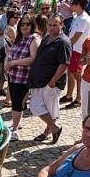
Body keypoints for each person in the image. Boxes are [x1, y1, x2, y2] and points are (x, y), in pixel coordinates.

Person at [28, 15, 70, 144]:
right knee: (41, 107)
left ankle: (52, 129)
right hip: (40, 80)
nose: (51, 28)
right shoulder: (46, 38)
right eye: (50, 25)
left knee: (39, 107)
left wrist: (53, 81)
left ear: (61, 25)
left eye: (55, 25)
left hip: (51, 82)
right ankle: (52, 129)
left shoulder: (63, 42)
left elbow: (64, 64)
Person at [5, 15, 40, 139]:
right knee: (15, 101)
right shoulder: (20, 38)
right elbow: (11, 53)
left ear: (32, 26)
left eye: (27, 24)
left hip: (23, 76)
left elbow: (32, 59)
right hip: (13, 75)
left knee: (17, 103)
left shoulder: (33, 39)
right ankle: (16, 124)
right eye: (22, 24)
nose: (24, 26)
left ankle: (15, 130)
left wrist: (13, 63)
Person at [61, 0, 90, 108]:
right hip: (73, 49)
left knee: (77, 74)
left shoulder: (83, 19)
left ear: (78, 5)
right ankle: (69, 95)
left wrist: (65, 46)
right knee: (71, 73)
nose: (70, 6)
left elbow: (76, 37)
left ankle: (78, 98)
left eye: (72, 4)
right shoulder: (77, 16)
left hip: (77, 50)